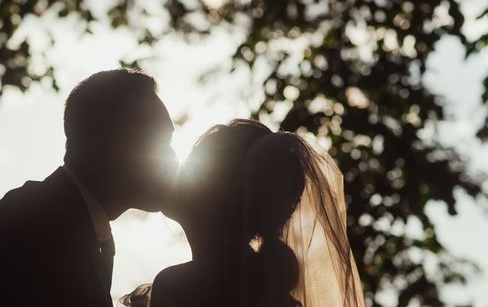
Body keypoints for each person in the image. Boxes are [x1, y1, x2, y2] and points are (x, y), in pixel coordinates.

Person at [0, 69, 178, 307]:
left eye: (169, 141)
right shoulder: (34, 221)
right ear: (91, 150)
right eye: (153, 141)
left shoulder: (69, 220)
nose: (172, 157)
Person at [121, 119, 365, 307]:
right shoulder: (271, 294)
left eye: (192, 166)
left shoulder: (180, 286)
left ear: (216, 194)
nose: (178, 171)